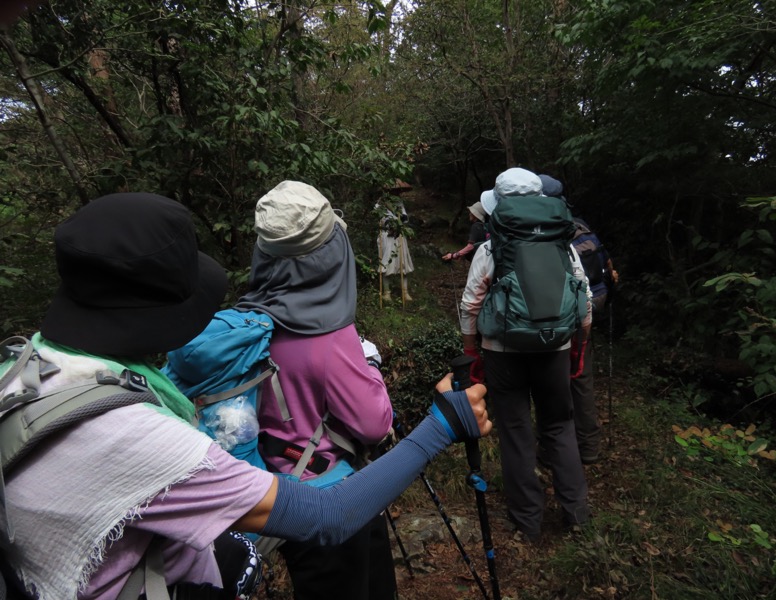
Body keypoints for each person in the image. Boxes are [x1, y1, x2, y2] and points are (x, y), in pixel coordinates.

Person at [0, 192, 491, 600]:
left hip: (262, 485)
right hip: (321, 493)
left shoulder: (21, 372)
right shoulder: (129, 435)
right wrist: (441, 425)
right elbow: (334, 505)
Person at [235, 180, 396, 599]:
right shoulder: (330, 337)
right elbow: (374, 425)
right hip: (330, 497)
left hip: (272, 490)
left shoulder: (246, 322)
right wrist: (371, 366)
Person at [459, 168, 591, 542]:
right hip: (555, 348)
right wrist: (578, 345)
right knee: (560, 427)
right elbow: (584, 300)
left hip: (503, 352)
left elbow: (471, 304)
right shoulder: (563, 245)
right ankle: (577, 514)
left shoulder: (491, 247)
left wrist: (472, 350)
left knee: (515, 432)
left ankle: (527, 522)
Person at [568, 215, 619, 464]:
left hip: (572, 309)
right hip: (597, 299)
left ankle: (570, 444)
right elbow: (608, 265)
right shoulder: (582, 227)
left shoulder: (548, 230)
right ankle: (589, 444)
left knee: (573, 376)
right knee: (581, 373)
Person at [377, 189, 414, 304]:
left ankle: (405, 291)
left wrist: (399, 218)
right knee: (386, 263)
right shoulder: (380, 203)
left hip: (399, 234)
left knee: (403, 263)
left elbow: (404, 218)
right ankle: (387, 293)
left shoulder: (399, 202)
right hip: (386, 235)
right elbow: (380, 219)